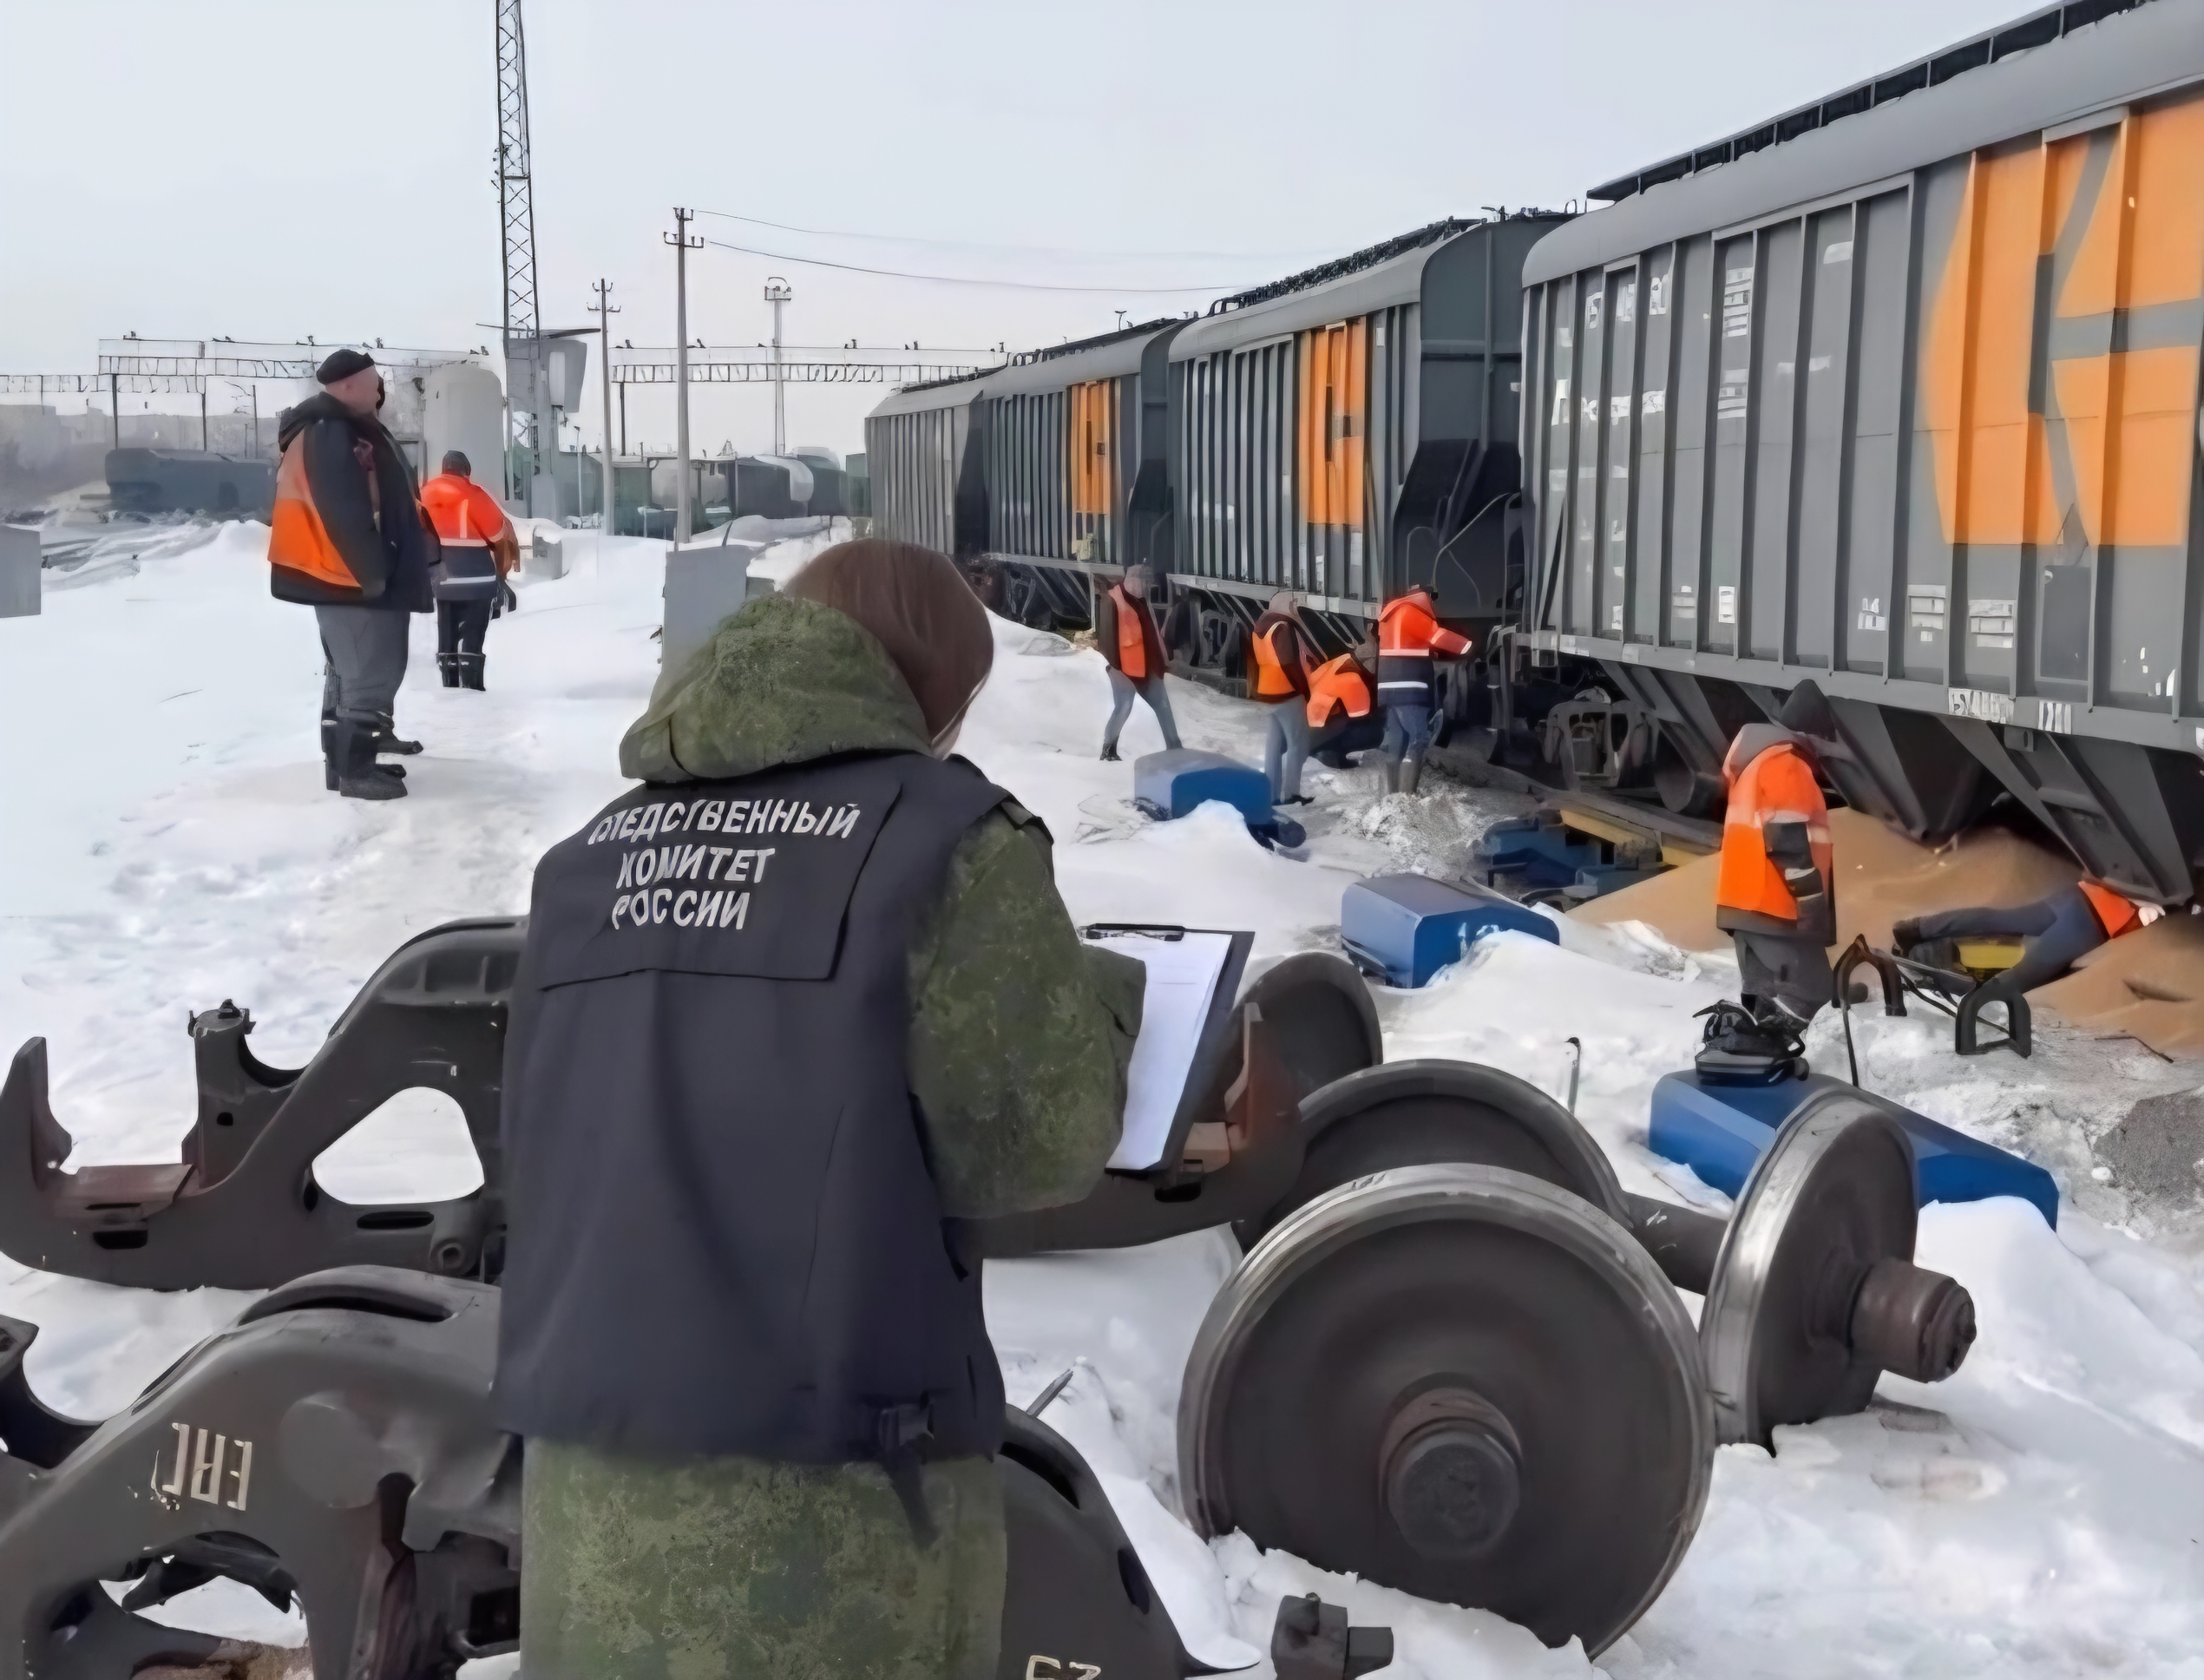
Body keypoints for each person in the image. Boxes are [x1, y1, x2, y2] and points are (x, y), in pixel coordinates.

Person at [497, 537, 1145, 1680]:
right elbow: (1033, 1152)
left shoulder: (587, 862)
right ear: (930, 690)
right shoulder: (945, 846)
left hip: (586, 1494)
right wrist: (1103, 1012)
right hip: (832, 1526)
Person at [267, 348, 433, 801]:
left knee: (351, 672)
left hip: (345, 574)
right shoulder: (331, 433)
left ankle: (344, 767)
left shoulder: (339, 429)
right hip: (350, 576)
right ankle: (356, 774)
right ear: (348, 386)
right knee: (367, 672)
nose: (380, 387)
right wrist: (373, 572)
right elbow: (343, 508)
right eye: (374, 379)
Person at [1714, 686, 1839, 1034]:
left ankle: (1745, 1060)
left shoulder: (1755, 762)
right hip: (1777, 906)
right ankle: (1773, 1062)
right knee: (1810, 995)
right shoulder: (1786, 764)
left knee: (1763, 999)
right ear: (1814, 732)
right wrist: (1811, 899)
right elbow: (1787, 837)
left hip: (1743, 904)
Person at [1892, 879, 2165, 993]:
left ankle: (1916, 929)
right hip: (2091, 923)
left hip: (2077, 894)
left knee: (1996, 918)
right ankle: (1931, 984)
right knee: (2017, 979)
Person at [418, 450, 519, 691]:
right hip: (476, 581)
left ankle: (449, 686)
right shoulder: (473, 495)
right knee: (472, 637)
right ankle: (472, 689)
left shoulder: (424, 494)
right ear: (467, 472)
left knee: (447, 633)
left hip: (440, 580)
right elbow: (497, 534)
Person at [1374, 584, 1471, 795]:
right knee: (1418, 740)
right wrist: (1469, 645)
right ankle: (1407, 797)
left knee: (1397, 743)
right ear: (1425, 597)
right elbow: (1437, 636)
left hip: (1390, 687)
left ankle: (1391, 796)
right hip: (1409, 687)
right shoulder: (1414, 611)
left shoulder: (1391, 613)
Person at [1092, 562, 1180, 761]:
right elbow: (1106, 639)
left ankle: (1176, 749)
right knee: (1123, 707)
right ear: (1131, 579)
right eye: (1143, 583)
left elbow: (1150, 633)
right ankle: (1108, 750)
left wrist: (1162, 659)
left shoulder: (1139, 601)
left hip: (1147, 667)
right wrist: (1116, 667)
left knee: (1163, 706)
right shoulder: (1113, 600)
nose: (1146, 588)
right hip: (1123, 669)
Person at [1250, 590, 1320, 804]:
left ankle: (1271, 796)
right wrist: (1304, 689)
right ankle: (1292, 794)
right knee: (1298, 744)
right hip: (1287, 693)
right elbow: (1289, 663)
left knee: (1273, 748)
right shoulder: (1282, 627)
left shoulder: (1259, 628)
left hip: (1267, 693)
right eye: (1293, 604)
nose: (1295, 609)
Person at [1306, 637, 1386, 770]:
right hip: (1326, 732)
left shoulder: (1339, 661)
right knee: (1378, 732)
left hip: (1312, 726)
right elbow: (1361, 715)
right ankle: (1331, 753)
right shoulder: (1354, 679)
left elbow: (1312, 680)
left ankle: (1319, 747)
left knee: (1341, 718)